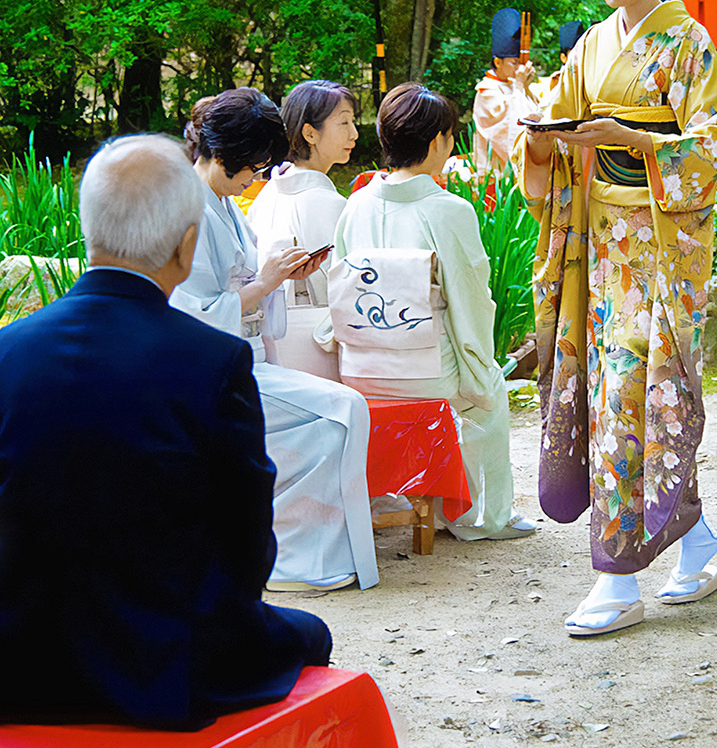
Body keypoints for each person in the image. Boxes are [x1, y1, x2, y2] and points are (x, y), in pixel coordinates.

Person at [0, 135, 332, 730]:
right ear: (186, 246)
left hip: (18, 659)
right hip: (167, 667)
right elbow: (248, 544)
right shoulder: (213, 360)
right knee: (311, 634)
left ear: (90, 231)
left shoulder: (7, 353)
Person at [515, 0, 717, 636]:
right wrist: (542, 141)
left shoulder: (688, 44)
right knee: (627, 396)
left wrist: (637, 141)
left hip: (657, 246)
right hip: (598, 244)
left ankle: (614, 578)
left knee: (634, 398)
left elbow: (712, 141)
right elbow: (556, 120)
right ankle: (695, 539)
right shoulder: (592, 44)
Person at [171, 88, 378, 593]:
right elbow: (187, 317)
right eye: (255, 165)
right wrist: (263, 285)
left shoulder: (224, 203)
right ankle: (291, 561)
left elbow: (244, 289)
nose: (258, 177)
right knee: (338, 413)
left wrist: (281, 278)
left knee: (343, 412)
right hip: (210, 371)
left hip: (245, 357)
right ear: (226, 154)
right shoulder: (186, 211)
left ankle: (299, 555)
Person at [333, 82, 536, 541]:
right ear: (436, 142)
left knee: (478, 384)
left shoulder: (356, 204)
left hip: (362, 369)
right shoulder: (449, 210)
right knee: (489, 394)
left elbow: (339, 290)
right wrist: (479, 365)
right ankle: (477, 516)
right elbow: (470, 298)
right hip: (425, 374)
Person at [247, 80, 359, 380]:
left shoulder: (268, 193)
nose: (354, 133)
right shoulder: (331, 204)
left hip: (269, 339)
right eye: (344, 122)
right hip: (315, 344)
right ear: (310, 133)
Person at [472, 7, 539, 173]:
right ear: (498, 62)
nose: (519, 68)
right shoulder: (486, 91)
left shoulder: (513, 84)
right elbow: (508, 128)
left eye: (521, 63)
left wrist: (524, 87)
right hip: (495, 172)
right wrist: (519, 85)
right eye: (514, 63)